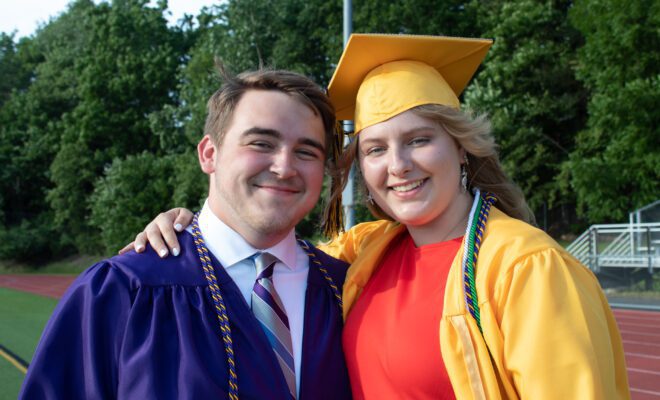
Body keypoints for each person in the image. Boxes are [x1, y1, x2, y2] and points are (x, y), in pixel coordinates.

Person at [124, 34, 630, 399]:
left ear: (461, 149)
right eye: (375, 149)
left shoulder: (526, 268)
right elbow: (262, 246)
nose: (399, 166)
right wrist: (192, 224)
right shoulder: (365, 252)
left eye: (419, 140)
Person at [20, 68, 352, 399]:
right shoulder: (123, 291)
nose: (284, 167)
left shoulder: (347, 289)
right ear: (209, 154)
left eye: (306, 151)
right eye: (261, 143)